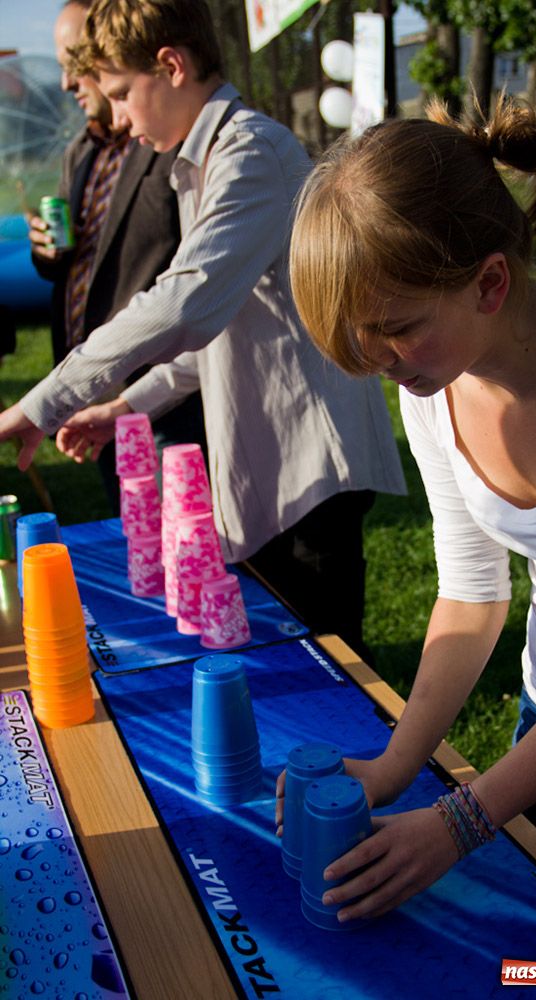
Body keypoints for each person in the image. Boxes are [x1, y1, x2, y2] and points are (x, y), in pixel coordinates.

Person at [281, 96, 536, 940]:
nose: (381, 366)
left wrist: (459, 820)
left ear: (491, 281)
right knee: (534, 948)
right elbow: (470, 590)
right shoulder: (435, 377)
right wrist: (396, 766)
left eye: (396, 331)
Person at [0, 0, 405, 657]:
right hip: (275, 453)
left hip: (309, 462)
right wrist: (126, 405)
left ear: (172, 65)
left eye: (126, 95)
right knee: (283, 648)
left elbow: (181, 306)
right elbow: (219, 329)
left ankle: (365, 761)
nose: (124, 121)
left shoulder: (249, 154)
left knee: (324, 663)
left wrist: (47, 401)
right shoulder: (209, 160)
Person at [28, 0, 206, 514]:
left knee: (183, 536)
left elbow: (192, 278)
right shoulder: (79, 152)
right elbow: (74, 264)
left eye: (74, 62)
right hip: (93, 388)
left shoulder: (167, 135)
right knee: (136, 538)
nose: (67, 82)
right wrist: (48, 251)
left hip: (162, 386)